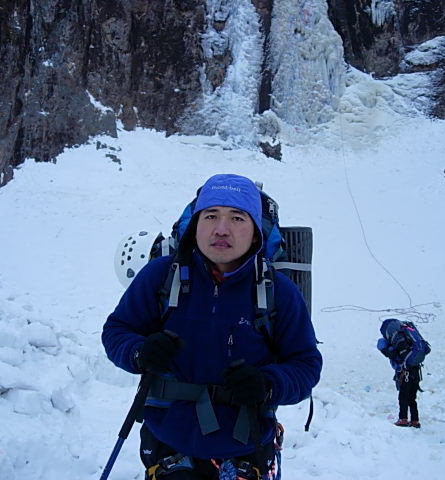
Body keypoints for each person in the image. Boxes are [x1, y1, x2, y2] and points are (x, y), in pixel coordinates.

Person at [102, 173, 322, 479]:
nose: (221, 229)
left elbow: (306, 364)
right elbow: (117, 330)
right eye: (211, 216)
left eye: (237, 218)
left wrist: (269, 384)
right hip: (168, 445)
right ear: (196, 224)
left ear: (255, 233)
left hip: (245, 448)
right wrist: (139, 353)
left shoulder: (278, 291)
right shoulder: (161, 276)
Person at [377, 319, 422, 428]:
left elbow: (399, 356)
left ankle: (403, 419)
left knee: (403, 396)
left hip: (406, 371)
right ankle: (415, 421)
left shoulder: (397, 342)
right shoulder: (407, 339)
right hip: (416, 369)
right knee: (412, 397)